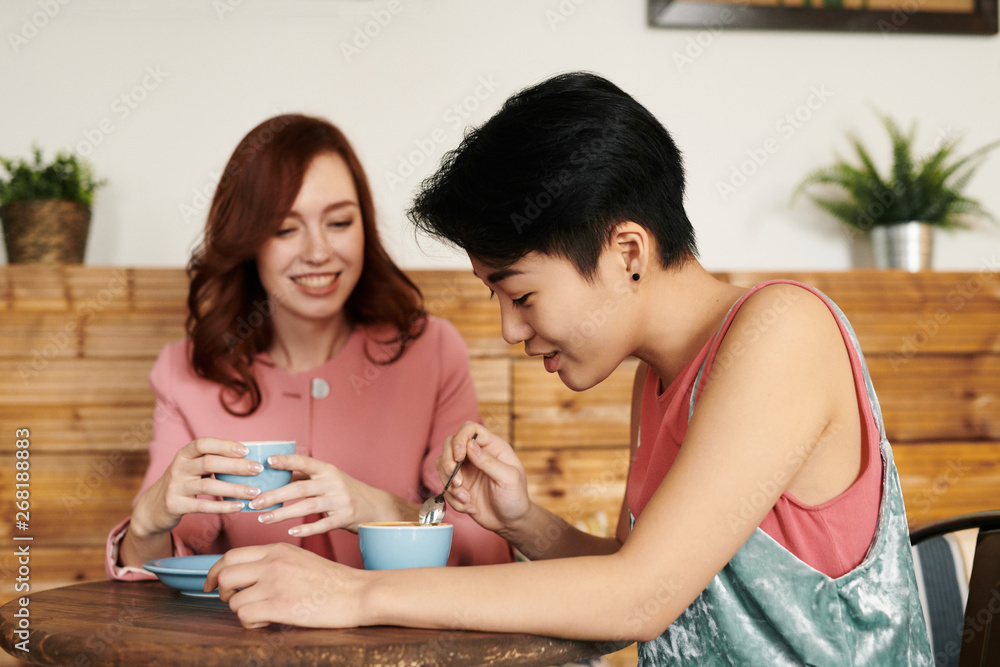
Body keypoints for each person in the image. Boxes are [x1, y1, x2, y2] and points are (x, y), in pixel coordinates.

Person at [205, 75, 933, 665]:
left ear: (626, 252)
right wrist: (525, 522)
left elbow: (639, 598)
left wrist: (355, 594)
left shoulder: (782, 330)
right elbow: (643, 576)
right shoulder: (659, 378)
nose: (510, 330)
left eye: (521, 295)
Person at [106, 114, 512, 578]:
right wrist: (145, 523)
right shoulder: (187, 371)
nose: (318, 252)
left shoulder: (432, 351)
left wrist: (378, 509)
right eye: (285, 229)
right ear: (247, 240)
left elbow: (484, 549)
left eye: (339, 222)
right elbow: (158, 570)